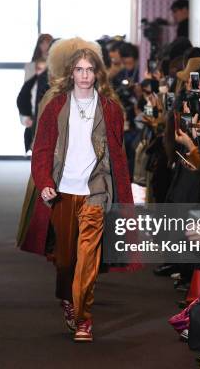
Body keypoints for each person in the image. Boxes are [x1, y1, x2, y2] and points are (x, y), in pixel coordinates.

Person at [26, 44, 133, 342]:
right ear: (71, 73)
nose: (85, 75)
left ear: (98, 73)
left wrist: (121, 194)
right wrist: (44, 180)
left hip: (96, 191)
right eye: (79, 69)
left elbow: (117, 154)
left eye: (90, 69)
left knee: (88, 259)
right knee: (65, 259)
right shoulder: (56, 106)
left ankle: (84, 318)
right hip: (63, 190)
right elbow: (43, 148)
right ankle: (68, 298)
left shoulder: (111, 109)